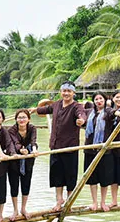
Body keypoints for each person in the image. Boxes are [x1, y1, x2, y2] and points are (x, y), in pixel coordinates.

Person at [32, 81, 87, 212]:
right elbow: (46, 110)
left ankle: (69, 201)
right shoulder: (56, 104)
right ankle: (58, 201)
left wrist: (81, 120)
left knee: (70, 175)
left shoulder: (76, 107)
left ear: (73, 93)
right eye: (64, 91)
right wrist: (34, 110)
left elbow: (82, 114)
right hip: (55, 146)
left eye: (69, 91)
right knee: (57, 175)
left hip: (69, 147)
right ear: (61, 92)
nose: (66, 93)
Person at [83, 92, 116, 211]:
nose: (98, 101)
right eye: (96, 99)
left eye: (100, 99)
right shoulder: (89, 112)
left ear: (105, 100)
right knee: (91, 178)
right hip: (89, 149)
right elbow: (80, 113)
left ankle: (103, 202)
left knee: (104, 178)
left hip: (104, 150)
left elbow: (114, 113)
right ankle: (94, 202)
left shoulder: (108, 112)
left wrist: (118, 113)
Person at [7, 109, 40, 220]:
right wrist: (21, 150)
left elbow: (33, 141)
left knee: (26, 184)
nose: (21, 120)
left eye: (24, 117)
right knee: (14, 185)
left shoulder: (32, 128)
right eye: (19, 117)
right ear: (16, 119)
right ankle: (15, 210)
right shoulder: (12, 130)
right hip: (14, 160)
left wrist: (34, 150)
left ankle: (23, 208)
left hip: (28, 160)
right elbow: (14, 142)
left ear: (28, 119)